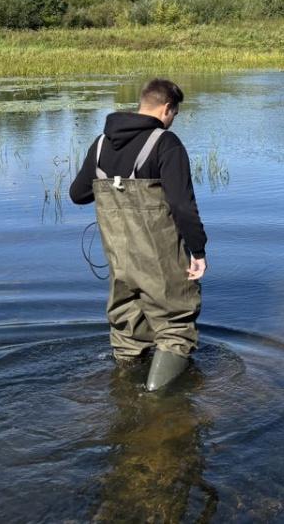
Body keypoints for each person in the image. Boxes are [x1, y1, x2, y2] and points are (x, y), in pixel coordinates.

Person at [69, 78, 207, 390]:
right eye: (175, 114)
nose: (172, 121)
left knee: (127, 330)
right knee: (175, 328)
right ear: (167, 108)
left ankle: (123, 393)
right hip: (159, 261)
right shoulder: (165, 143)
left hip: (120, 263)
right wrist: (198, 251)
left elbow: (78, 194)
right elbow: (182, 206)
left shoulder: (101, 144)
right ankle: (156, 401)